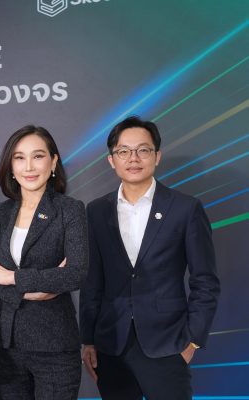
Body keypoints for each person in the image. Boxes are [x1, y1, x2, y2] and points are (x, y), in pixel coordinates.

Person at [80, 116, 221, 399]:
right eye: (124, 151)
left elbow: (205, 281)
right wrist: (88, 340)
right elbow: (92, 281)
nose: (133, 158)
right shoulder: (96, 211)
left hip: (168, 344)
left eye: (143, 150)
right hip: (111, 344)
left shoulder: (185, 208)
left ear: (157, 156)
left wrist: (193, 340)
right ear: (112, 160)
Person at [0, 125, 87, 399]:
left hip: (54, 345)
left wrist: (13, 278)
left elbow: (75, 273)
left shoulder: (70, 210)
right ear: (11, 167)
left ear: (53, 162)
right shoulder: (0, 213)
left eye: (38, 156)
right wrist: (36, 288)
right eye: (19, 157)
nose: (29, 166)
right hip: (4, 343)